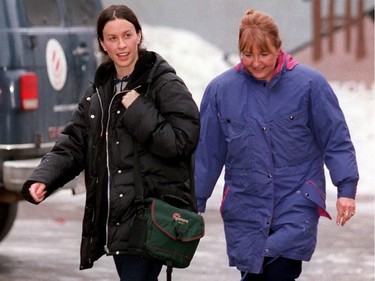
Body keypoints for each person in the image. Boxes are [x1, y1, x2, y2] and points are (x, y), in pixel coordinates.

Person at [22, 4, 200, 281]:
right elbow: (73, 143)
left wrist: (138, 109)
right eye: (113, 38)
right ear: (103, 44)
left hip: (152, 216)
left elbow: (182, 142)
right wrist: (44, 177)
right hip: (117, 218)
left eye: (127, 35)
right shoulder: (99, 91)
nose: (122, 45)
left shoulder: (164, 83)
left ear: (139, 35)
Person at [194, 9, 359, 281]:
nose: (256, 62)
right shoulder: (221, 91)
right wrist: (195, 202)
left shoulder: (309, 85)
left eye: (264, 54)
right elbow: (207, 154)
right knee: (254, 274)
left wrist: (346, 188)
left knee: (280, 272)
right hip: (245, 203)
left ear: (279, 48)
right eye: (248, 54)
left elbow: (336, 138)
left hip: (296, 200)